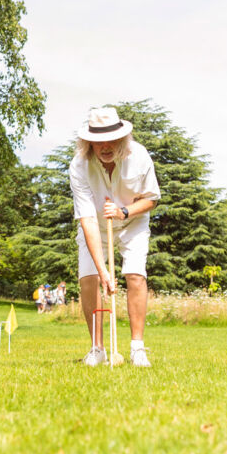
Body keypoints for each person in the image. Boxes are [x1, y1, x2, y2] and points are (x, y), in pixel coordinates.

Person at [69, 107, 160, 367]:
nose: (105, 146)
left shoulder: (139, 156)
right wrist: (103, 271)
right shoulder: (79, 165)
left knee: (135, 275)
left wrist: (124, 211)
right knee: (89, 278)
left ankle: (137, 348)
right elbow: (86, 219)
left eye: (111, 140)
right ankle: (97, 348)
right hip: (96, 226)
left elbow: (152, 198)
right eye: (98, 141)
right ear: (89, 143)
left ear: (121, 139)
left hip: (132, 221)